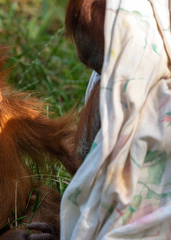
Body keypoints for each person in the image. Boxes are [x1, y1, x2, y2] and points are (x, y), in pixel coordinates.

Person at [61, 0, 171, 239]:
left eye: (106, 68)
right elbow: (83, 157)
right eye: (95, 68)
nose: (102, 78)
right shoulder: (109, 80)